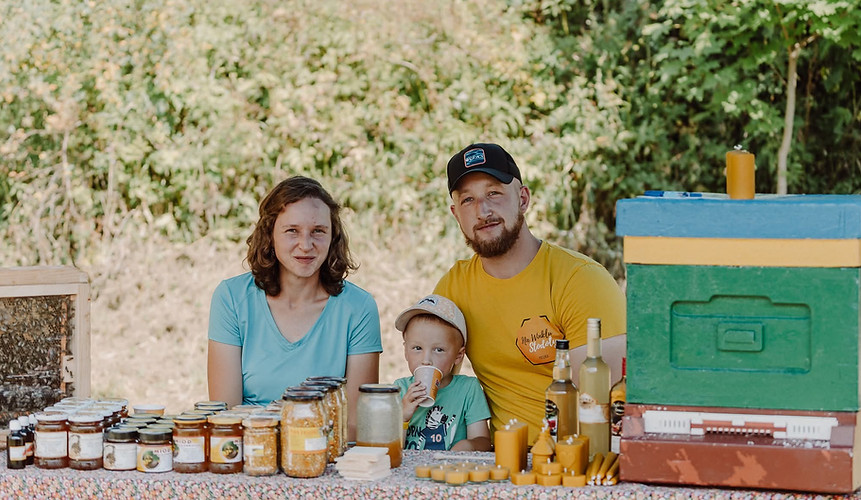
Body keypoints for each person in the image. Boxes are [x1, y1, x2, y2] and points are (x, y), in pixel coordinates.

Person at [434, 143, 626, 444]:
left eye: (494, 193)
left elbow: (606, 408)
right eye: (468, 199)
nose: (482, 211)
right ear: (456, 213)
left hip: (577, 457)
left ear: (523, 199)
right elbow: (439, 384)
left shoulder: (580, 279)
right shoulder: (453, 288)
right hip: (500, 457)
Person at [207, 175, 382, 440]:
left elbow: (355, 424)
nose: (306, 245)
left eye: (318, 231)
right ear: (269, 234)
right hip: (252, 450)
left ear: (333, 236)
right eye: (292, 231)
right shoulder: (231, 298)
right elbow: (227, 417)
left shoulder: (359, 307)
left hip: (326, 453)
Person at [393, 294, 492, 451]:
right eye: (417, 348)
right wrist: (403, 417)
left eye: (438, 350)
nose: (426, 360)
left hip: (452, 466)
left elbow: (483, 441)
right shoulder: (400, 389)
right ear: (405, 351)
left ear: (458, 356)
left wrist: (469, 445)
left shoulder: (468, 389)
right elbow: (388, 449)